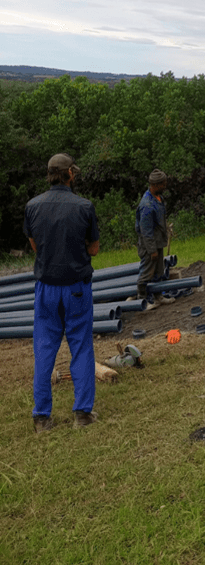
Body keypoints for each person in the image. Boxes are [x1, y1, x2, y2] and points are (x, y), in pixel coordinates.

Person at [24, 153, 100, 432]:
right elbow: (93, 248)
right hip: (76, 288)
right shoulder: (84, 206)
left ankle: (42, 418)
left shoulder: (32, 206)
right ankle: (82, 414)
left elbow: (34, 245)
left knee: (44, 349)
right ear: (69, 173)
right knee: (80, 346)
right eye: (74, 173)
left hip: (46, 289)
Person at [135, 169, 170, 306]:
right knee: (146, 273)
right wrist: (152, 250)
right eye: (163, 184)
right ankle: (141, 300)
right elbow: (146, 231)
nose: (165, 186)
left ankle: (158, 297)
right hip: (150, 245)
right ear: (156, 185)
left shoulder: (158, 199)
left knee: (158, 272)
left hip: (158, 242)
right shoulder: (147, 205)